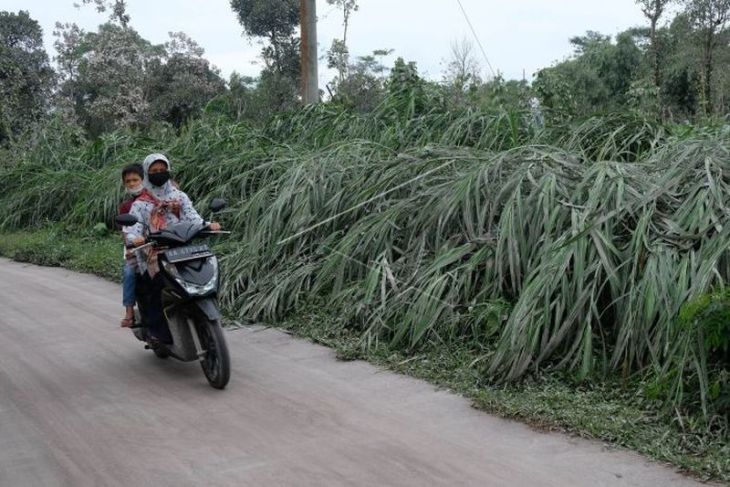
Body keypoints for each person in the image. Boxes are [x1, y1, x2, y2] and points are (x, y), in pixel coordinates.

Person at [125, 153, 221, 343]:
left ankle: (207, 309)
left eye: (162, 170)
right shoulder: (140, 204)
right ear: (146, 174)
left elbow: (192, 217)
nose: (159, 174)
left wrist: (208, 225)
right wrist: (134, 238)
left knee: (206, 271)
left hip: (184, 248)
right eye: (154, 171)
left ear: (168, 171)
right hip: (155, 251)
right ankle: (157, 332)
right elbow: (132, 229)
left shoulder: (179, 196)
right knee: (155, 286)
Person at [118, 163, 145, 328]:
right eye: (129, 181)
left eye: (136, 180)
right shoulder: (126, 207)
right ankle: (129, 312)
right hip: (137, 248)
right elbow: (125, 233)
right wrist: (130, 246)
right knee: (129, 272)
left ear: (143, 180)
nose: (132, 184)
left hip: (159, 244)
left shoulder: (153, 198)